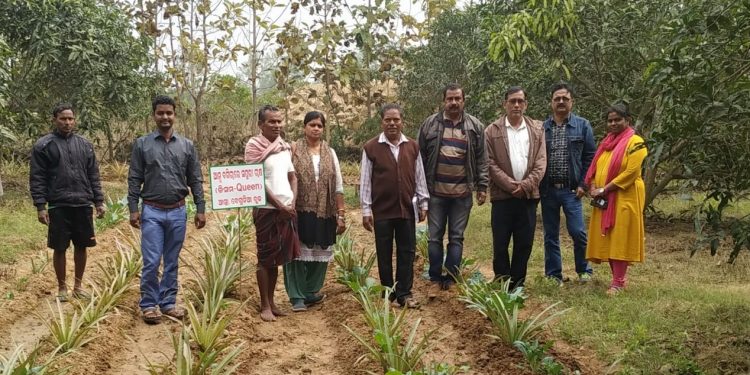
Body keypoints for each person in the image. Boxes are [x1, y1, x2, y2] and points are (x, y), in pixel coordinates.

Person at [128, 95, 207, 325]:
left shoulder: (187, 146)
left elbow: (195, 179)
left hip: (178, 211)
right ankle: (149, 304)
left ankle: (168, 302)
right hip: (152, 210)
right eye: (160, 113)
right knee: (152, 260)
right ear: (154, 115)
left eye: (169, 113)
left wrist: (200, 208)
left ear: (174, 115)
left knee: (171, 260)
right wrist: (133, 208)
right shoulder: (142, 144)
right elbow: (134, 178)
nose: (165, 117)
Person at [30, 103, 106, 302]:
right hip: (58, 204)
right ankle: (62, 287)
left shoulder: (85, 145)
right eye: (63, 118)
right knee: (60, 247)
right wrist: (40, 206)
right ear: (55, 119)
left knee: (82, 246)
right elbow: (37, 177)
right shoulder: (43, 146)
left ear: (75, 120)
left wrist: (99, 201)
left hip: (82, 203)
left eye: (71, 118)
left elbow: (93, 175)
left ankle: (78, 286)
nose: (67, 122)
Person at [417, 83, 488, 295]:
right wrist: (420, 191)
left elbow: (482, 159)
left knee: (456, 237)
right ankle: (435, 276)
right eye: (450, 99)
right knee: (434, 237)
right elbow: (419, 159)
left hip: (462, 194)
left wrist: (482, 186)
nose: (454, 102)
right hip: (435, 193)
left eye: (458, 98)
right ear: (444, 101)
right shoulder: (429, 125)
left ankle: (452, 276)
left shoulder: (475, 127)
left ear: (463, 101)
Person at [360, 103, 429, 308]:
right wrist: (365, 209)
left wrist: (423, 202)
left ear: (402, 122)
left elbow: (419, 176)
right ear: (381, 122)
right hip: (382, 210)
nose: (392, 123)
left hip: (406, 208)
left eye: (396, 119)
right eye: (388, 120)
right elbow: (365, 180)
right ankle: (388, 293)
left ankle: (405, 293)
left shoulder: (413, 146)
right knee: (384, 251)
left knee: (407, 251)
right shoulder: (371, 147)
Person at [485, 87, 546, 291]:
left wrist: (526, 185)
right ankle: (502, 280)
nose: (516, 105)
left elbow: (541, 162)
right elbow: (490, 162)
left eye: (520, 101)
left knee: (524, 243)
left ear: (526, 104)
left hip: (528, 197)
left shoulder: (537, 129)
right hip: (503, 197)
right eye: (512, 101)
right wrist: (510, 186)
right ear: (505, 104)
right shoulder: (492, 131)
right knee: (500, 243)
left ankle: (518, 283)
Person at [284, 111, 345, 312]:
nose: (316, 128)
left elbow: (338, 185)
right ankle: (297, 296)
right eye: (312, 125)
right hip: (298, 210)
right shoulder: (293, 150)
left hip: (324, 210)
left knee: (320, 250)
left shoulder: (331, 153)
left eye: (319, 125)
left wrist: (341, 213)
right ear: (304, 127)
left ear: (323, 128)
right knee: (296, 252)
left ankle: (311, 291)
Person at [245, 105, 300, 322]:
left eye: (279, 121)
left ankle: (273, 302)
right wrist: (279, 205)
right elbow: (254, 178)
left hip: (287, 209)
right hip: (266, 210)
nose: (277, 125)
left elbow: (293, 177)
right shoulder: (253, 146)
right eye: (271, 122)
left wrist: (292, 202)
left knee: (277, 258)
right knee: (264, 258)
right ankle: (264, 305)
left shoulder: (284, 147)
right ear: (261, 125)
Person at [585, 104, 647, 296]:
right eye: (610, 120)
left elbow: (631, 172)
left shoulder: (636, 142)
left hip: (625, 196)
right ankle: (617, 279)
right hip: (605, 199)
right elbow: (595, 167)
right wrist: (594, 186)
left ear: (627, 120)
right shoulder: (607, 143)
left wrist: (605, 188)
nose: (613, 123)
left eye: (617, 119)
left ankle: (618, 283)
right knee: (610, 238)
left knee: (620, 237)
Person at [540, 82, 596, 284]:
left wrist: (584, 184)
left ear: (572, 102)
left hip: (572, 190)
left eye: (565, 98)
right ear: (551, 103)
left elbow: (591, 157)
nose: (561, 102)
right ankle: (553, 275)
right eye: (557, 99)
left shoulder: (583, 125)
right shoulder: (542, 128)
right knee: (550, 234)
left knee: (577, 231)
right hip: (547, 191)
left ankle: (584, 271)